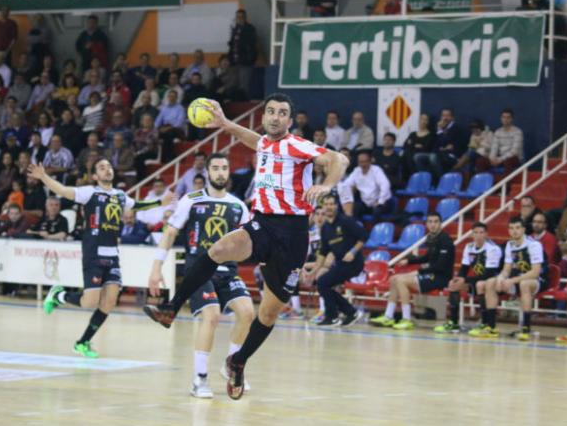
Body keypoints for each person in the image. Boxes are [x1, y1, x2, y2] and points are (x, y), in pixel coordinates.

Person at [143, 93, 348, 400]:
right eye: (270, 112)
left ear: (290, 121)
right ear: (264, 116)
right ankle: (171, 309)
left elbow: (339, 159)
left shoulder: (296, 144)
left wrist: (327, 185)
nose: (275, 117)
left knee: (267, 314)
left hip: (291, 235)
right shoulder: (265, 142)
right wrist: (225, 123)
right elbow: (254, 140)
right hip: (262, 224)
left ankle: (237, 363)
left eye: (282, 113)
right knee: (217, 250)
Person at [33, 159, 171, 358]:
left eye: (109, 166)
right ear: (96, 176)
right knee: (90, 302)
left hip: (112, 254)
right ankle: (58, 295)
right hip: (93, 253)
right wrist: (44, 176)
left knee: (108, 302)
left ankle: (82, 342)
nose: (107, 170)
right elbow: (63, 191)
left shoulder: (120, 196)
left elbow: (138, 205)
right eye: (102, 168)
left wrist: (160, 202)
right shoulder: (89, 192)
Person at [148, 152, 255, 398]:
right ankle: (199, 378)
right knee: (212, 315)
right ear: (207, 172)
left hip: (227, 271)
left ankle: (231, 366)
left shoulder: (238, 205)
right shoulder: (191, 199)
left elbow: (249, 241)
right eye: (215, 168)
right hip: (199, 270)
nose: (220, 172)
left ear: (229, 172)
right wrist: (156, 269)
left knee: (248, 313)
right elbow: (170, 233)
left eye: (224, 168)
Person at [370, 212, 455, 330]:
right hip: (431, 274)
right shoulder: (431, 238)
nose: (433, 225)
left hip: (440, 278)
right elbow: (426, 257)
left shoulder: (445, 240)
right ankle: (388, 316)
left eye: (436, 222)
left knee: (400, 280)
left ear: (440, 224)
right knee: (393, 279)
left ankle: (407, 319)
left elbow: (440, 266)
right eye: (430, 222)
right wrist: (409, 261)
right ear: (426, 224)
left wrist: (419, 272)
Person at [475, 217, 548, 340]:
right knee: (490, 282)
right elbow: (507, 269)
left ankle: (526, 328)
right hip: (517, 279)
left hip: (537, 280)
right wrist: (500, 278)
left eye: (518, 228)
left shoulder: (534, 245)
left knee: (524, 284)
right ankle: (491, 327)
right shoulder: (510, 244)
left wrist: (511, 281)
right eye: (512, 228)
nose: (515, 231)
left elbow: (535, 272)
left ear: (524, 229)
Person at [304, 194, 365, 326]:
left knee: (323, 283)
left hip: (354, 263)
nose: (329, 207)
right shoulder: (325, 228)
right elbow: (323, 254)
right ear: (323, 207)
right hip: (341, 264)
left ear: (336, 206)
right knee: (323, 283)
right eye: (327, 204)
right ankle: (350, 312)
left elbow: (363, 236)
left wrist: (353, 252)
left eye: (332, 204)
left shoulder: (345, 221)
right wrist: (312, 272)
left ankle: (333, 316)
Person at [433, 222, 502, 334]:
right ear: (472, 235)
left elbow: (489, 274)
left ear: (486, 234)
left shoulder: (493, 249)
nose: (478, 235)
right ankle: (453, 323)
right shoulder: (469, 247)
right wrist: (458, 279)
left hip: (492, 281)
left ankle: (485, 323)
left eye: (481, 232)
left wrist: (465, 280)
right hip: (477, 280)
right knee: (453, 284)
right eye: (476, 233)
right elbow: (464, 269)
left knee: (480, 284)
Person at [343, 151, 393, 221]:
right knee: (353, 208)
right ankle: (358, 228)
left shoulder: (376, 170)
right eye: (361, 162)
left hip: (381, 201)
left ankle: (377, 230)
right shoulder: (356, 171)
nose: (363, 164)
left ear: (370, 162)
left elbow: (385, 185)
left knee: (377, 212)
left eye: (365, 162)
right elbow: (346, 184)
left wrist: (380, 201)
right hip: (366, 203)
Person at [475, 109, 523, 177]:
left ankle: (506, 186)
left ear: (512, 119)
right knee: (481, 161)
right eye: (503, 117)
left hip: (513, 159)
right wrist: (492, 159)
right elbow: (494, 148)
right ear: (501, 118)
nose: (505, 119)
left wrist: (500, 159)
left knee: (508, 161)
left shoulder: (518, 132)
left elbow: (514, 151)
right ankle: (484, 184)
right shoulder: (498, 132)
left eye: (508, 117)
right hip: (500, 158)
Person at [417, 108, 459, 185]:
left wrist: (440, 130)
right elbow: (435, 143)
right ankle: (426, 181)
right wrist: (443, 145)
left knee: (433, 157)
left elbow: (446, 141)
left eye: (447, 116)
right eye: (443, 116)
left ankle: (443, 181)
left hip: (451, 155)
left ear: (452, 117)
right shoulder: (437, 128)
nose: (445, 118)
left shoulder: (455, 128)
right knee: (418, 157)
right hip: (439, 153)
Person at [228, 9, 257, 97]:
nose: (239, 19)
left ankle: (243, 102)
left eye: (241, 17)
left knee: (244, 85)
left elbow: (251, 44)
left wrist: (250, 59)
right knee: (233, 84)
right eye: (238, 17)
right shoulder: (234, 29)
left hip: (245, 62)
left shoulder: (250, 29)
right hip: (234, 62)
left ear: (245, 18)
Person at [154, 89, 185, 161]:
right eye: (170, 96)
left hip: (177, 130)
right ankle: (166, 157)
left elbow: (179, 123)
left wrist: (168, 128)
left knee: (168, 134)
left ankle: (166, 158)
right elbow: (158, 121)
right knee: (160, 134)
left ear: (176, 98)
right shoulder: (164, 108)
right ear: (168, 97)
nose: (171, 98)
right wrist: (157, 128)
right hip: (165, 128)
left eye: (173, 96)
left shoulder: (180, 108)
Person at [402, 113, 433, 178]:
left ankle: (415, 176)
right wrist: (415, 145)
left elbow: (426, 148)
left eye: (426, 120)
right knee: (405, 154)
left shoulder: (430, 135)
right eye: (422, 119)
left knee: (413, 155)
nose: (423, 121)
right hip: (409, 155)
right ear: (418, 120)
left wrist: (412, 144)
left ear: (428, 122)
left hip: (422, 157)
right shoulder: (413, 134)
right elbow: (405, 145)